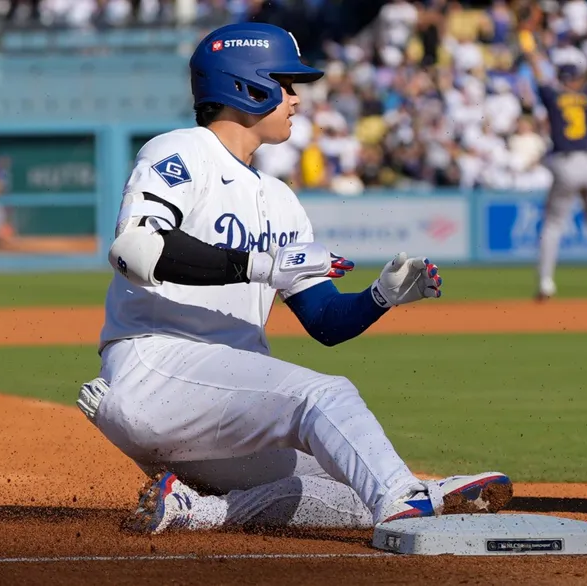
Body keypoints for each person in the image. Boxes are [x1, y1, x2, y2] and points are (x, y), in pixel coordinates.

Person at [75, 22, 513, 535]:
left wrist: (379, 297)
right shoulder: (183, 150)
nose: (296, 98)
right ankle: (405, 499)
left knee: (350, 481)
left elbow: (325, 321)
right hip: (158, 368)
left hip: (222, 401)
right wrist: (258, 265)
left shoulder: (280, 199)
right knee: (324, 395)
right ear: (247, 86)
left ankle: (196, 511)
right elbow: (135, 249)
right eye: (285, 83)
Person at [519, 16, 587, 301]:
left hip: (565, 163)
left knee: (553, 224)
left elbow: (536, 66)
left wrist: (525, 37)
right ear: (577, 78)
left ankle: (546, 282)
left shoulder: (553, 95)